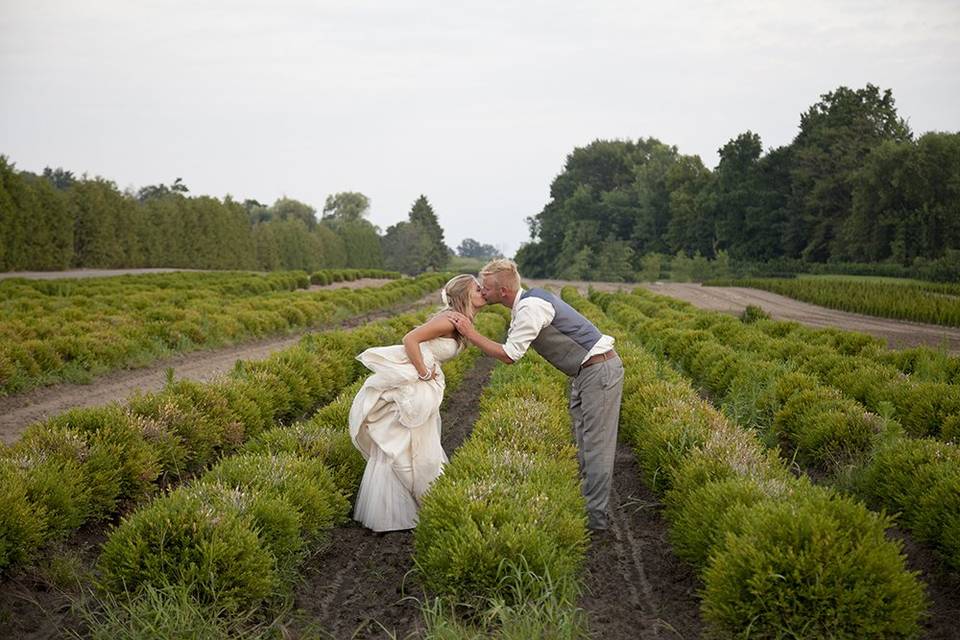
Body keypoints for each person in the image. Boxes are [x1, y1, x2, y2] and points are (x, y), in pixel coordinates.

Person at [447, 259, 624, 530]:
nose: (483, 291)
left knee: (597, 447)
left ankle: (594, 521)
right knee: (584, 443)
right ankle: (586, 507)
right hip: (585, 372)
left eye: (486, 288)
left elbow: (510, 355)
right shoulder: (528, 300)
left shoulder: (530, 307)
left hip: (598, 371)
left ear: (503, 292)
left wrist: (471, 334)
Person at [349, 274, 485, 532]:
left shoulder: (461, 320)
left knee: (418, 440)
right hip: (416, 382)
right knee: (402, 442)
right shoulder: (448, 320)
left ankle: (416, 506)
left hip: (425, 384)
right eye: (477, 289)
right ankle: (393, 515)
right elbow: (410, 339)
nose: (482, 292)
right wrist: (423, 372)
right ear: (464, 296)